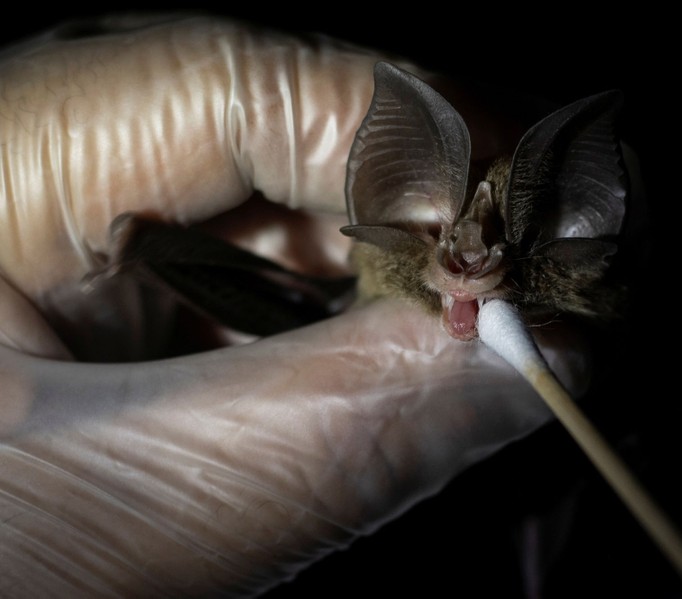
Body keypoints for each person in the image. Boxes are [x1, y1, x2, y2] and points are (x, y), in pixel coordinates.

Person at [0, 14, 587, 597]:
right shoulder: (399, 251)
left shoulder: (554, 282)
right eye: (452, 246)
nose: (467, 264)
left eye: (487, 256)